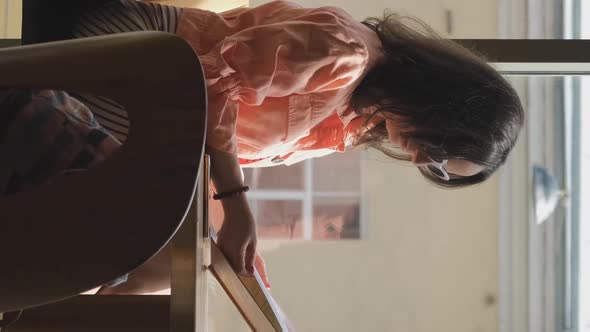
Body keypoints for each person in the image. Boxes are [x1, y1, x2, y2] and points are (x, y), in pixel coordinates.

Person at [11, 0, 525, 291]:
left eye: (434, 170)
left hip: (171, 109)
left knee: (169, 264)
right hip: (152, 58)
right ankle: (43, 283)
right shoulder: (345, 54)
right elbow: (211, 83)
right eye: (437, 151)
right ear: (443, 107)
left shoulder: (348, 124)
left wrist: (228, 227)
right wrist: (234, 204)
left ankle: (52, 295)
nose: (420, 159)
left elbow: (211, 142)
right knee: (118, 223)